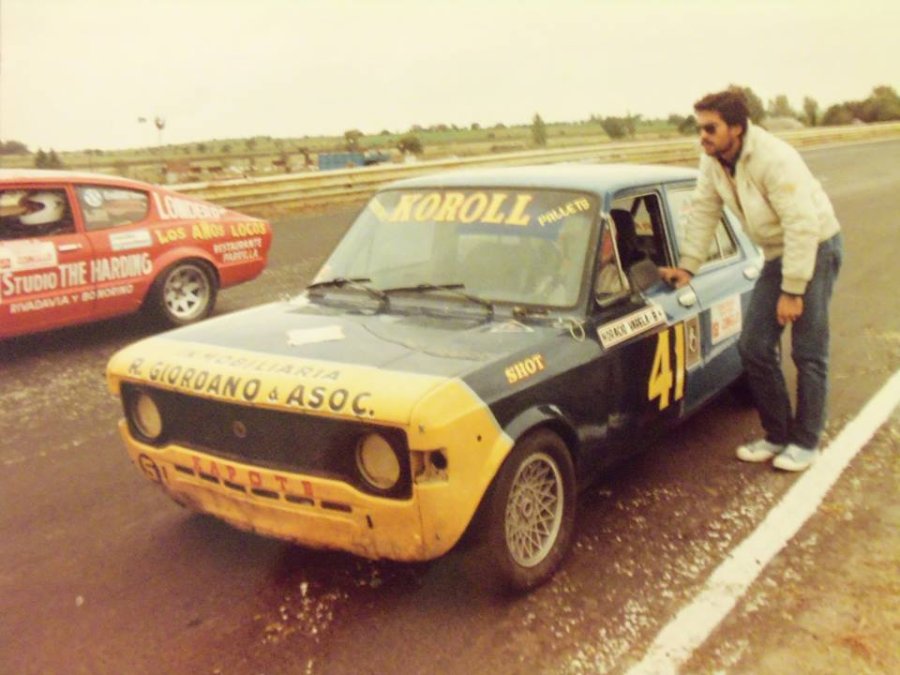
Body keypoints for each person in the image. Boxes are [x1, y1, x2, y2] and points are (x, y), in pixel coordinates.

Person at [659, 89, 843, 472]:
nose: (703, 137)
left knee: (808, 351)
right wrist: (689, 266)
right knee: (754, 346)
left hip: (815, 246)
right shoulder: (712, 160)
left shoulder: (775, 159)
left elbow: (802, 224)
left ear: (737, 129)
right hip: (778, 253)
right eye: (700, 129)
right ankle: (778, 435)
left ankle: (807, 442)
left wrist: (793, 290)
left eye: (711, 128)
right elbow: (705, 210)